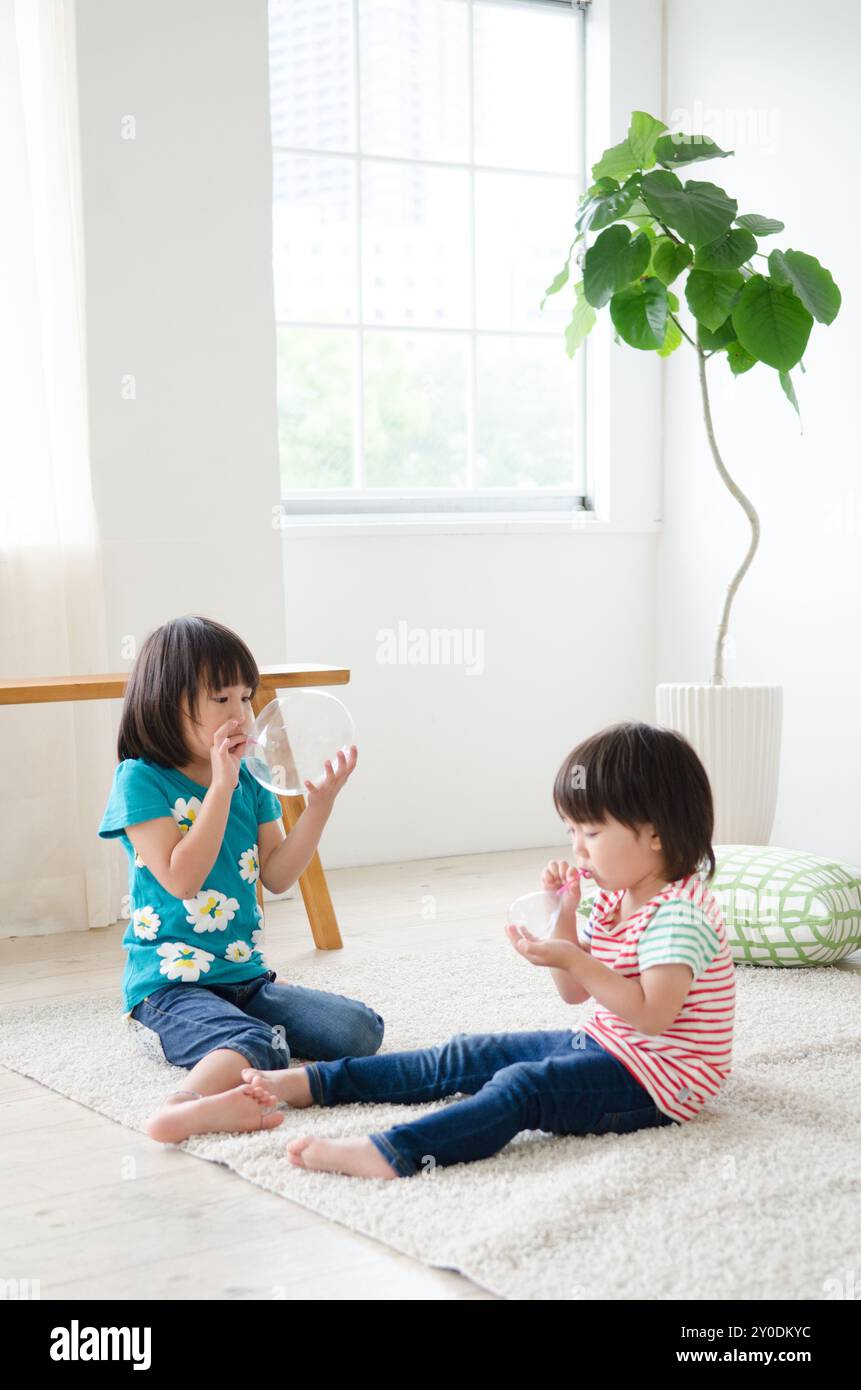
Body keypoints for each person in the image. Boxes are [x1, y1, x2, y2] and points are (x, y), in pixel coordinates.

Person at [238, 721, 736, 1178]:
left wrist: (574, 958)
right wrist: (563, 917)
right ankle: (314, 1083)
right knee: (468, 1055)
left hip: (660, 1084)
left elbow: (651, 1016)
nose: (577, 848)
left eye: (591, 832)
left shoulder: (679, 916)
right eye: (570, 831)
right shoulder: (618, 893)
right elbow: (574, 993)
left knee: (523, 1087)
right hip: (611, 1045)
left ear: (654, 834)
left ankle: (394, 1152)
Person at [98, 614, 384, 1143]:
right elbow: (182, 879)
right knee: (260, 1044)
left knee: (360, 1030)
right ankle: (181, 1107)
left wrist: (317, 809)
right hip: (169, 983)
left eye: (246, 697)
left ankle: (238, 1061)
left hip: (244, 976)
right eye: (221, 699)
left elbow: (277, 876)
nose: (242, 714)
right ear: (168, 701)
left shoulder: (249, 777)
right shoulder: (139, 779)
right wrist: (221, 787)